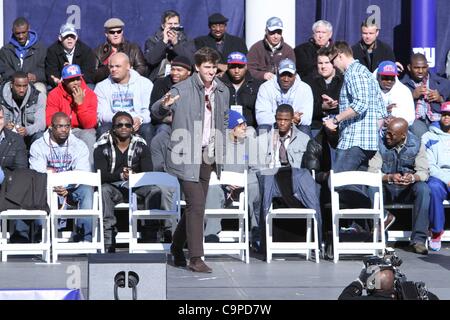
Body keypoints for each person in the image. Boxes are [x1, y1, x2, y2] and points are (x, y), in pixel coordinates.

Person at [151, 47, 229, 273]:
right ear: (197, 67)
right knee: (196, 205)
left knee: (196, 206)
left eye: (214, 67)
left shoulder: (222, 90)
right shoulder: (182, 88)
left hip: (208, 153)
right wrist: (165, 104)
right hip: (186, 152)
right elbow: (155, 111)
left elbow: (223, 119)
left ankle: (176, 247)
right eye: (207, 67)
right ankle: (195, 257)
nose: (211, 71)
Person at [255, 104, 323, 249]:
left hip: (295, 179)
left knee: (313, 192)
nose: (282, 123)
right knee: (265, 185)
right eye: (279, 119)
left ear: (292, 119)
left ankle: (317, 240)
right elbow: (258, 168)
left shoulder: (303, 139)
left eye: (286, 120)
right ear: (275, 119)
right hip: (273, 178)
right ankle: (264, 242)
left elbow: (307, 168)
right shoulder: (263, 140)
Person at [94, 111, 159, 253]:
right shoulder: (102, 146)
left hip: (136, 187)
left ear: (132, 128)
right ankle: (108, 238)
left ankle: (150, 235)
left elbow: (148, 173)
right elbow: (100, 176)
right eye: (120, 125)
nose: (124, 128)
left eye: (128, 125)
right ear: (113, 128)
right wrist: (120, 176)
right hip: (113, 188)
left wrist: (134, 176)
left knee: (154, 190)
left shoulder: (141, 145)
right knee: (104, 190)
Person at [27, 112, 93, 243]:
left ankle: (85, 237)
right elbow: (38, 173)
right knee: (38, 191)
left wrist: (67, 186)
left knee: (87, 190)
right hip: (47, 187)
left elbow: (82, 173)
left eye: (67, 126)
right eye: (60, 126)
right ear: (51, 127)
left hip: (71, 187)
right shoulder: (38, 145)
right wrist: (55, 185)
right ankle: (43, 234)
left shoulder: (79, 145)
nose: (64, 130)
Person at [368, 118, 430, 255]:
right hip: (387, 187)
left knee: (424, 189)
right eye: (387, 132)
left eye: (392, 134)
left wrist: (413, 177)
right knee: (371, 188)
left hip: (407, 188)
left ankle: (418, 240)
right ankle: (381, 237)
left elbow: (424, 171)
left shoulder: (417, 144)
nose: (387, 136)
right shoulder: (380, 143)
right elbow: (372, 172)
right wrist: (388, 177)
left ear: (403, 135)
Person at [323, 41, 387, 173]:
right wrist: (371, 133)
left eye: (332, 61)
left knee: (336, 183)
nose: (333, 66)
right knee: (355, 187)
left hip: (354, 142)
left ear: (340, 55)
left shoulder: (354, 73)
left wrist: (335, 120)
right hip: (364, 143)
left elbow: (360, 104)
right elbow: (381, 112)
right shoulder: (366, 73)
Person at [204, 110, 261, 249]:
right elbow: (210, 169)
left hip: (244, 186)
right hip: (223, 186)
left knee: (255, 187)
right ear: (231, 128)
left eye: (245, 124)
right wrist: (226, 182)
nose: (245, 127)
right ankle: (211, 234)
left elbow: (256, 169)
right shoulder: (217, 146)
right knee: (212, 190)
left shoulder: (250, 143)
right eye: (241, 125)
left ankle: (256, 234)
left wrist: (242, 182)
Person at [95, 52, 153, 145]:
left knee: (148, 129)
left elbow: (147, 112)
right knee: (103, 130)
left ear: (128, 66)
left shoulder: (145, 84)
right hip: (113, 123)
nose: (113, 69)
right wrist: (121, 120)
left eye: (118, 66)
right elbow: (102, 114)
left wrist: (139, 119)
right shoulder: (101, 86)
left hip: (136, 122)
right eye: (111, 66)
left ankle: (147, 159)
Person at [46, 64, 97, 167]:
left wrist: (80, 105)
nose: (75, 83)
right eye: (71, 80)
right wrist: (64, 128)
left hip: (80, 130)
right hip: (60, 129)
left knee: (89, 135)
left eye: (77, 79)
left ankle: (89, 174)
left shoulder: (90, 94)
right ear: (64, 81)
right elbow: (49, 121)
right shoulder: (54, 94)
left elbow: (90, 124)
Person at [255, 58, 313, 136]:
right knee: (263, 128)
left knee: (304, 129)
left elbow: (307, 118)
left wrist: (297, 119)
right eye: (283, 74)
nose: (286, 79)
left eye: (290, 75)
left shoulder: (305, 88)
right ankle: (262, 148)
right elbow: (261, 118)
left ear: (295, 75)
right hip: (274, 126)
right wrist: (286, 119)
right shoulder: (266, 87)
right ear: (277, 73)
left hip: (295, 126)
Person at [421, 102, 450, 251]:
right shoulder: (429, 136)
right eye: (444, 114)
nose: (447, 118)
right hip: (439, 177)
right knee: (433, 187)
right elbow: (429, 165)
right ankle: (437, 231)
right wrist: (447, 180)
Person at [401, 53, 450, 138]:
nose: (420, 71)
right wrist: (412, 96)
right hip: (415, 121)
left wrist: (440, 98)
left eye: (424, 68)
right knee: (422, 133)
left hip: (438, 119)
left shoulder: (442, 83)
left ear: (427, 67)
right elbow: (397, 106)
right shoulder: (402, 85)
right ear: (409, 67)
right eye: (416, 68)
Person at [144, 10, 195, 82]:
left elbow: (192, 61)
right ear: (163, 26)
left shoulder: (187, 41)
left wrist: (176, 44)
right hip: (158, 79)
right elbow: (151, 60)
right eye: (170, 24)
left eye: (175, 24)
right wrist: (164, 42)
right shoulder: (152, 41)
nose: (173, 26)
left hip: (182, 80)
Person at [0, 17, 47, 94]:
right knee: (5, 89)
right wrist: (17, 77)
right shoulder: (5, 50)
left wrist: (36, 76)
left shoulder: (40, 49)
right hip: (12, 83)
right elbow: (3, 70)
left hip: (34, 83)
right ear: (13, 31)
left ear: (28, 29)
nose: (21, 36)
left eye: (23, 32)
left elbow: (46, 70)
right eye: (17, 33)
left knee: (40, 89)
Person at [303, 48, 343, 137]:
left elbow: (349, 107)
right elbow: (304, 109)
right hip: (316, 126)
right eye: (320, 63)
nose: (323, 66)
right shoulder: (308, 82)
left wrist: (333, 105)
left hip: (339, 125)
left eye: (327, 62)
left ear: (333, 63)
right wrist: (322, 107)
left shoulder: (343, 80)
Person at [93, 18, 147, 84]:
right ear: (106, 34)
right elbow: (93, 75)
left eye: (119, 31)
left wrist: (127, 74)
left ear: (122, 32)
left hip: (131, 84)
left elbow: (142, 68)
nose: (116, 35)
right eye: (112, 32)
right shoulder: (98, 51)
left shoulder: (133, 48)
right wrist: (108, 67)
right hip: (108, 86)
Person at [0, 71, 46, 146]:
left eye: (25, 86)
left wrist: (27, 130)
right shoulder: (1, 97)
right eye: (18, 86)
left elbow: (41, 124)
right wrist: (4, 126)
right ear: (11, 85)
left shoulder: (38, 97)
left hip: (28, 136)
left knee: (40, 136)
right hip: (5, 135)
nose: (22, 90)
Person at [45, 23, 96, 89]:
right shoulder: (52, 51)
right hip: (61, 84)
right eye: (66, 36)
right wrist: (57, 80)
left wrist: (73, 76)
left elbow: (90, 74)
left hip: (80, 83)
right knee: (50, 89)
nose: (69, 38)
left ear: (76, 38)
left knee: (90, 87)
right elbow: (51, 73)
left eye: (72, 36)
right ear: (60, 38)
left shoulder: (86, 51)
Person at [150, 55, 192, 134]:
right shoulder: (160, 83)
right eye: (173, 69)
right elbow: (153, 114)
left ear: (189, 72)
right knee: (163, 130)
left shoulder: (193, 86)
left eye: (179, 70)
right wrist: (169, 118)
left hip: (188, 123)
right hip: (165, 123)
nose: (175, 73)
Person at [220, 52, 262, 129]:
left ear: (246, 66)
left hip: (248, 128)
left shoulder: (256, 85)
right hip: (225, 128)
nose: (236, 71)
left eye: (240, 67)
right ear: (228, 67)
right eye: (233, 67)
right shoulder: (219, 84)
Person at [247, 17, 296, 81]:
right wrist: (262, 75)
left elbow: (292, 71)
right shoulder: (256, 48)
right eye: (272, 32)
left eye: (279, 32)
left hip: (282, 86)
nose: (276, 36)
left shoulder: (288, 50)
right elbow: (249, 69)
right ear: (266, 31)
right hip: (259, 84)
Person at [374, 61, 415, 127]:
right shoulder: (369, 90)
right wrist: (383, 113)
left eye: (392, 78)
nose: (389, 81)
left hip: (398, 129)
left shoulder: (404, 91)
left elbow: (410, 117)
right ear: (378, 76)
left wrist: (395, 120)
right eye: (386, 78)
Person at [0, 105, 28, 170]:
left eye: (0, 118)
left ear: (4, 118)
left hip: (7, 179)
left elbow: (21, 171)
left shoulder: (16, 140)